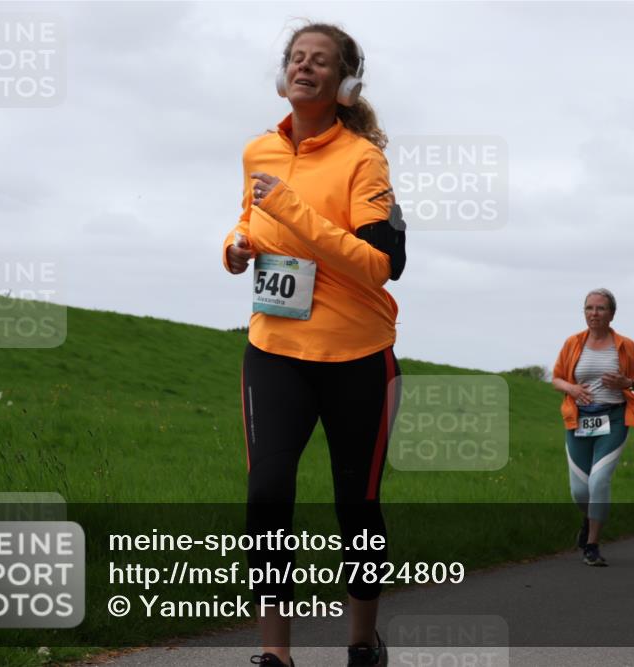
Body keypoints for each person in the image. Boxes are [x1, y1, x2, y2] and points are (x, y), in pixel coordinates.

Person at [223, 22, 405, 667]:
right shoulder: (257, 152)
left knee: (356, 504)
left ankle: (361, 642)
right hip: (273, 348)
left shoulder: (363, 160)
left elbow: (380, 264)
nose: (305, 67)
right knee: (267, 492)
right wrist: (236, 248)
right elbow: (250, 218)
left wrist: (295, 211)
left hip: (358, 355)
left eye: (320, 62)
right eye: (296, 58)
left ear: (345, 84)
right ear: (283, 72)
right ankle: (277, 655)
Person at [552, 288, 634, 566]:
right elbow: (557, 378)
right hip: (579, 420)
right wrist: (571, 387)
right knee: (579, 491)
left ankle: (593, 544)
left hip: (614, 419)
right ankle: (588, 519)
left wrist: (627, 383)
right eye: (589, 308)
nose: (594, 314)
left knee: (599, 481)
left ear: (612, 313)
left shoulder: (626, 346)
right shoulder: (573, 343)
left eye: (600, 308)